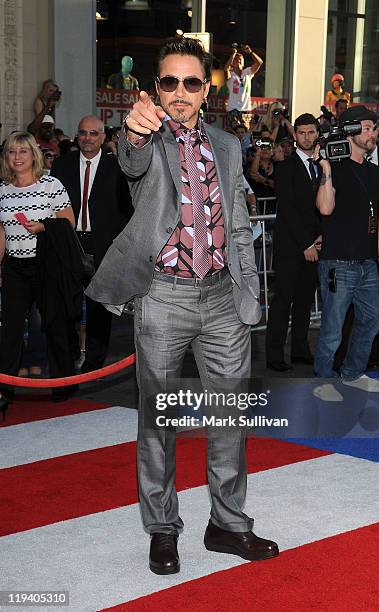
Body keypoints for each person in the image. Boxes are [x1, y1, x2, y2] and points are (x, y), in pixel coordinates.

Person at [86, 36, 279, 574]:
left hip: (221, 297)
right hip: (164, 296)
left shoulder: (226, 143)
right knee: (158, 423)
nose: (179, 92)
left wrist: (249, 290)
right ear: (156, 88)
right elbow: (130, 161)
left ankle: (228, 524)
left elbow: (239, 221)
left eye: (190, 82)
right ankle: (162, 529)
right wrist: (131, 129)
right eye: (168, 82)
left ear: (205, 90)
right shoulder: (146, 138)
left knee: (229, 417)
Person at [313, 106, 379, 402]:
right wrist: (326, 172)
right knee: (332, 330)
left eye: (375, 129)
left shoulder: (372, 171)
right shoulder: (335, 167)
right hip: (338, 264)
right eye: (369, 128)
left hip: (367, 263)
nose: (374, 133)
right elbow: (325, 208)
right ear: (350, 130)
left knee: (372, 321)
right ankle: (322, 379)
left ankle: (353, 373)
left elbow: (377, 214)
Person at [0, 132, 76, 415]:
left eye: (23, 151)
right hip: (15, 268)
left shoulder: (50, 184)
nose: (17, 157)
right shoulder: (2, 190)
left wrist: (43, 226)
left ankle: (64, 387)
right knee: (9, 332)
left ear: (33, 154)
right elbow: (2, 232)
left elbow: (68, 220)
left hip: (47, 265)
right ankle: (3, 392)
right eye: (11, 152)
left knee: (55, 326)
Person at [51, 115, 132, 373]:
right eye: (83, 133)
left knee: (99, 309)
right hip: (69, 244)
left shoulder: (116, 167)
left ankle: (94, 364)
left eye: (93, 134)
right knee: (68, 305)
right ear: (77, 136)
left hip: (103, 246)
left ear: (103, 137)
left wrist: (118, 242)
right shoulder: (62, 165)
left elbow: (125, 210)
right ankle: (72, 355)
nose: (87, 138)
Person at [265, 114, 322, 372]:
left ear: (317, 134)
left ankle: (300, 349)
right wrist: (306, 244)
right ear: (295, 136)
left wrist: (322, 237)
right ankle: (274, 355)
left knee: (304, 302)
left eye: (311, 132)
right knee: (282, 302)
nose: (307, 136)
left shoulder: (323, 166)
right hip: (292, 248)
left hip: (316, 246)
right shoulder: (285, 167)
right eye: (302, 132)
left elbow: (325, 207)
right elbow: (287, 209)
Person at [224, 45, 263, 124]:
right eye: (236, 60)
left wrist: (250, 52)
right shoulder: (231, 74)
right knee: (233, 134)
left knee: (245, 133)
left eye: (240, 59)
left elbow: (259, 62)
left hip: (246, 109)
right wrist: (233, 54)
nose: (238, 61)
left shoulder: (247, 72)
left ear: (244, 63)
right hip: (233, 109)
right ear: (232, 63)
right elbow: (226, 69)